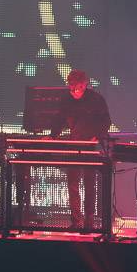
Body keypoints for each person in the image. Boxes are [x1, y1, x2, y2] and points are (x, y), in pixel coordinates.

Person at [52, 68, 112, 231]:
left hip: (90, 146)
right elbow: (59, 119)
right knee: (72, 184)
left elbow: (106, 121)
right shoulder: (66, 100)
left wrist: (97, 136)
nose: (74, 90)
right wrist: (52, 135)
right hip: (74, 144)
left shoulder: (96, 99)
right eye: (71, 86)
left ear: (85, 85)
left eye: (77, 86)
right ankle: (76, 221)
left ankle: (89, 221)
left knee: (89, 183)